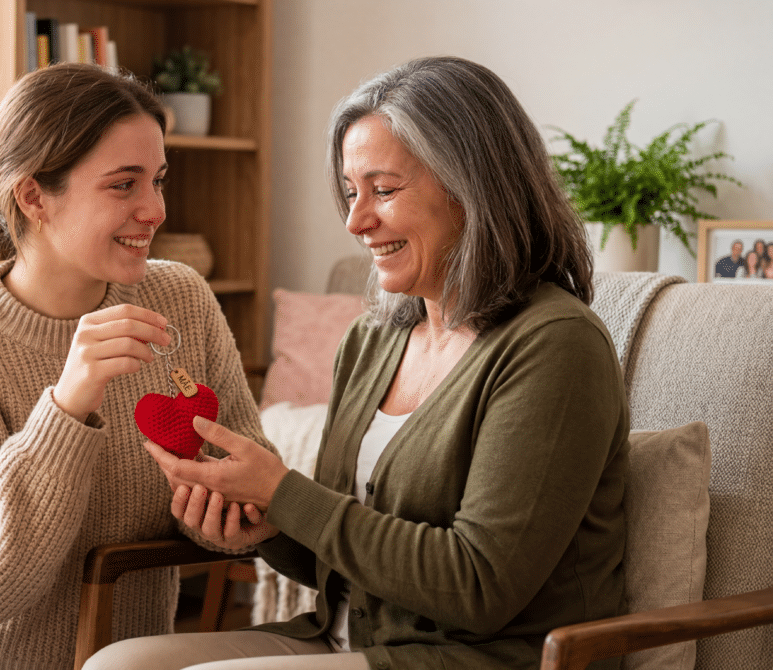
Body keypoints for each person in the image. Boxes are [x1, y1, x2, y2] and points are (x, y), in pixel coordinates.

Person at [88, 55, 629, 670]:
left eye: (385, 189)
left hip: (480, 658)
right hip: (348, 638)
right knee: (117, 665)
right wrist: (265, 526)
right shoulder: (373, 340)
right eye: (350, 192)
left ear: (473, 185)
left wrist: (286, 492)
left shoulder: (555, 345)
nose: (355, 220)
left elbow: (479, 588)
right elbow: (346, 552)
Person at [0, 63, 274, 670]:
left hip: (117, 658)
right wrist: (68, 404)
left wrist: (233, 520)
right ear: (33, 198)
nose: (155, 209)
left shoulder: (182, 299)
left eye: (158, 180)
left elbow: (239, 483)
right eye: (123, 185)